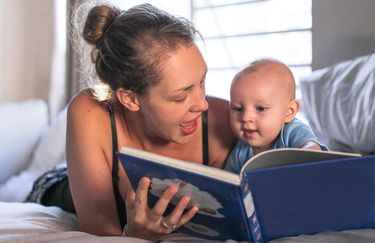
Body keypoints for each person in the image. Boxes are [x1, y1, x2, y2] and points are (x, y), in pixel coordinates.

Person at [26, 3, 236, 241]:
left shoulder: (225, 119)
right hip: (60, 188)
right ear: (130, 99)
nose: (202, 104)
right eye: (180, 96)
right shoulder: (89, 111)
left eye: (202, 82)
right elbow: (100, 230)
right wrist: (134, 236)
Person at [225, 58, 327, 173]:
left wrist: (301, 158)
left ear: (289, 112)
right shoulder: (241, 151)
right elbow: (228, 179)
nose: (245, 117)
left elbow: (313, 150)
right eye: (238, 108)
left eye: (260, 108)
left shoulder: (292, 131)